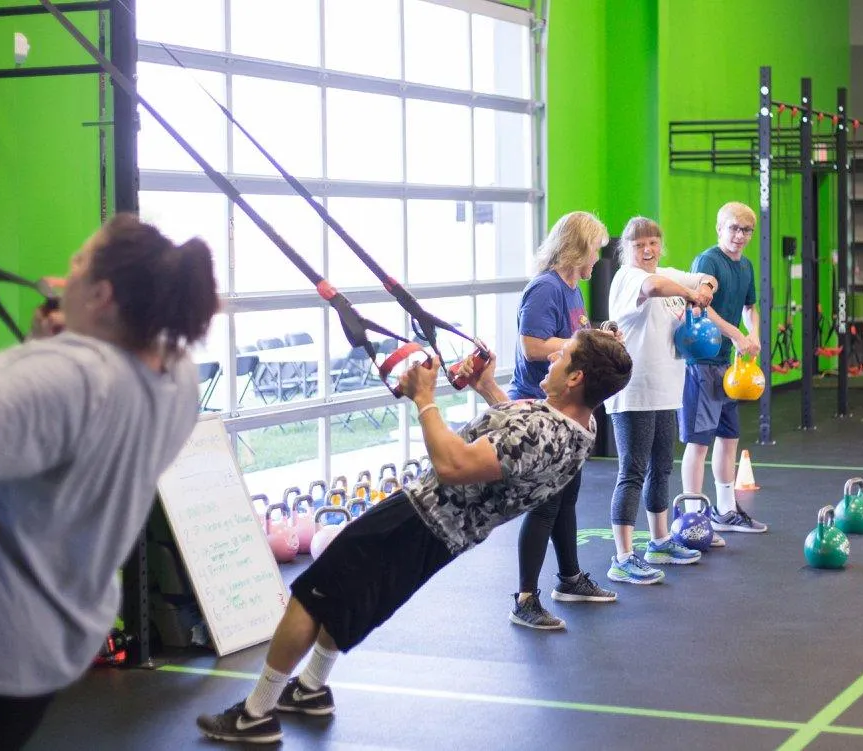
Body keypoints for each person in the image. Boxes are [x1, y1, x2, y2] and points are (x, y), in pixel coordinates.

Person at [196, 328, 633, 744]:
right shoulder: (579, 427)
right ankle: (310, 688)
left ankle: (255, 714)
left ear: (575, 378)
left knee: (312, 593)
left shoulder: (543, 434)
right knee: (346, 597)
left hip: (417, 521)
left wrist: (425, 399)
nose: (553, 355)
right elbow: (515, 449)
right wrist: (486, 387)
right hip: (436, 532)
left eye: (564, 354)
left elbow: (454, 465)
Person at [0, 213, 219, 751]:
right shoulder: (176, 372)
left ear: (103, 294)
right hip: (44, 649)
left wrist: (58, 355)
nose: (65, 272)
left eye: (79, 262)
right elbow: (56, 431)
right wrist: (52, 343)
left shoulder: (72, 378)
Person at [506, 211, 618, 631]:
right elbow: (533, 346)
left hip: (567, 411)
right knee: (545, 504)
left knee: (567, 498)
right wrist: (586, 343)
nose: (597, 260)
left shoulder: (573, 290)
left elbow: (574, 341)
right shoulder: (545, 288)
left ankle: (570, 579)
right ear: (576, 249)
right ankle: (524, 599)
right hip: (539, 406)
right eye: (594, 251)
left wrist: (599, 337)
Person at [603, 217, 721, 585]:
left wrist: (704, 287)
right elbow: (653, 286)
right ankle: (623, 558)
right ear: (627, 249)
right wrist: (690, 293)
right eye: (639, 245)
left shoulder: (668, 273)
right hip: (634, 391)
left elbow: (705, 278)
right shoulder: (628, 277)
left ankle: (659, 542)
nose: (648, 250)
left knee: (661, 468)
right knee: (633, 471)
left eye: (653, 243)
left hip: (666, 390)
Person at [678, 202, 768, 532]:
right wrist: (737, 334)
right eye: (734, 228)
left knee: (729, 438)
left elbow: (750, 307)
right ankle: (692, 518)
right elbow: (701, 308)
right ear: (720, 229)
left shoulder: (745, 266)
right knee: (699, 443)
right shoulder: (708, 261)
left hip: (727, 366)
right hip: (701, 363)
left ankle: (725, 512)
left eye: (746, 230)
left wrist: (753, 333)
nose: (740, 235)